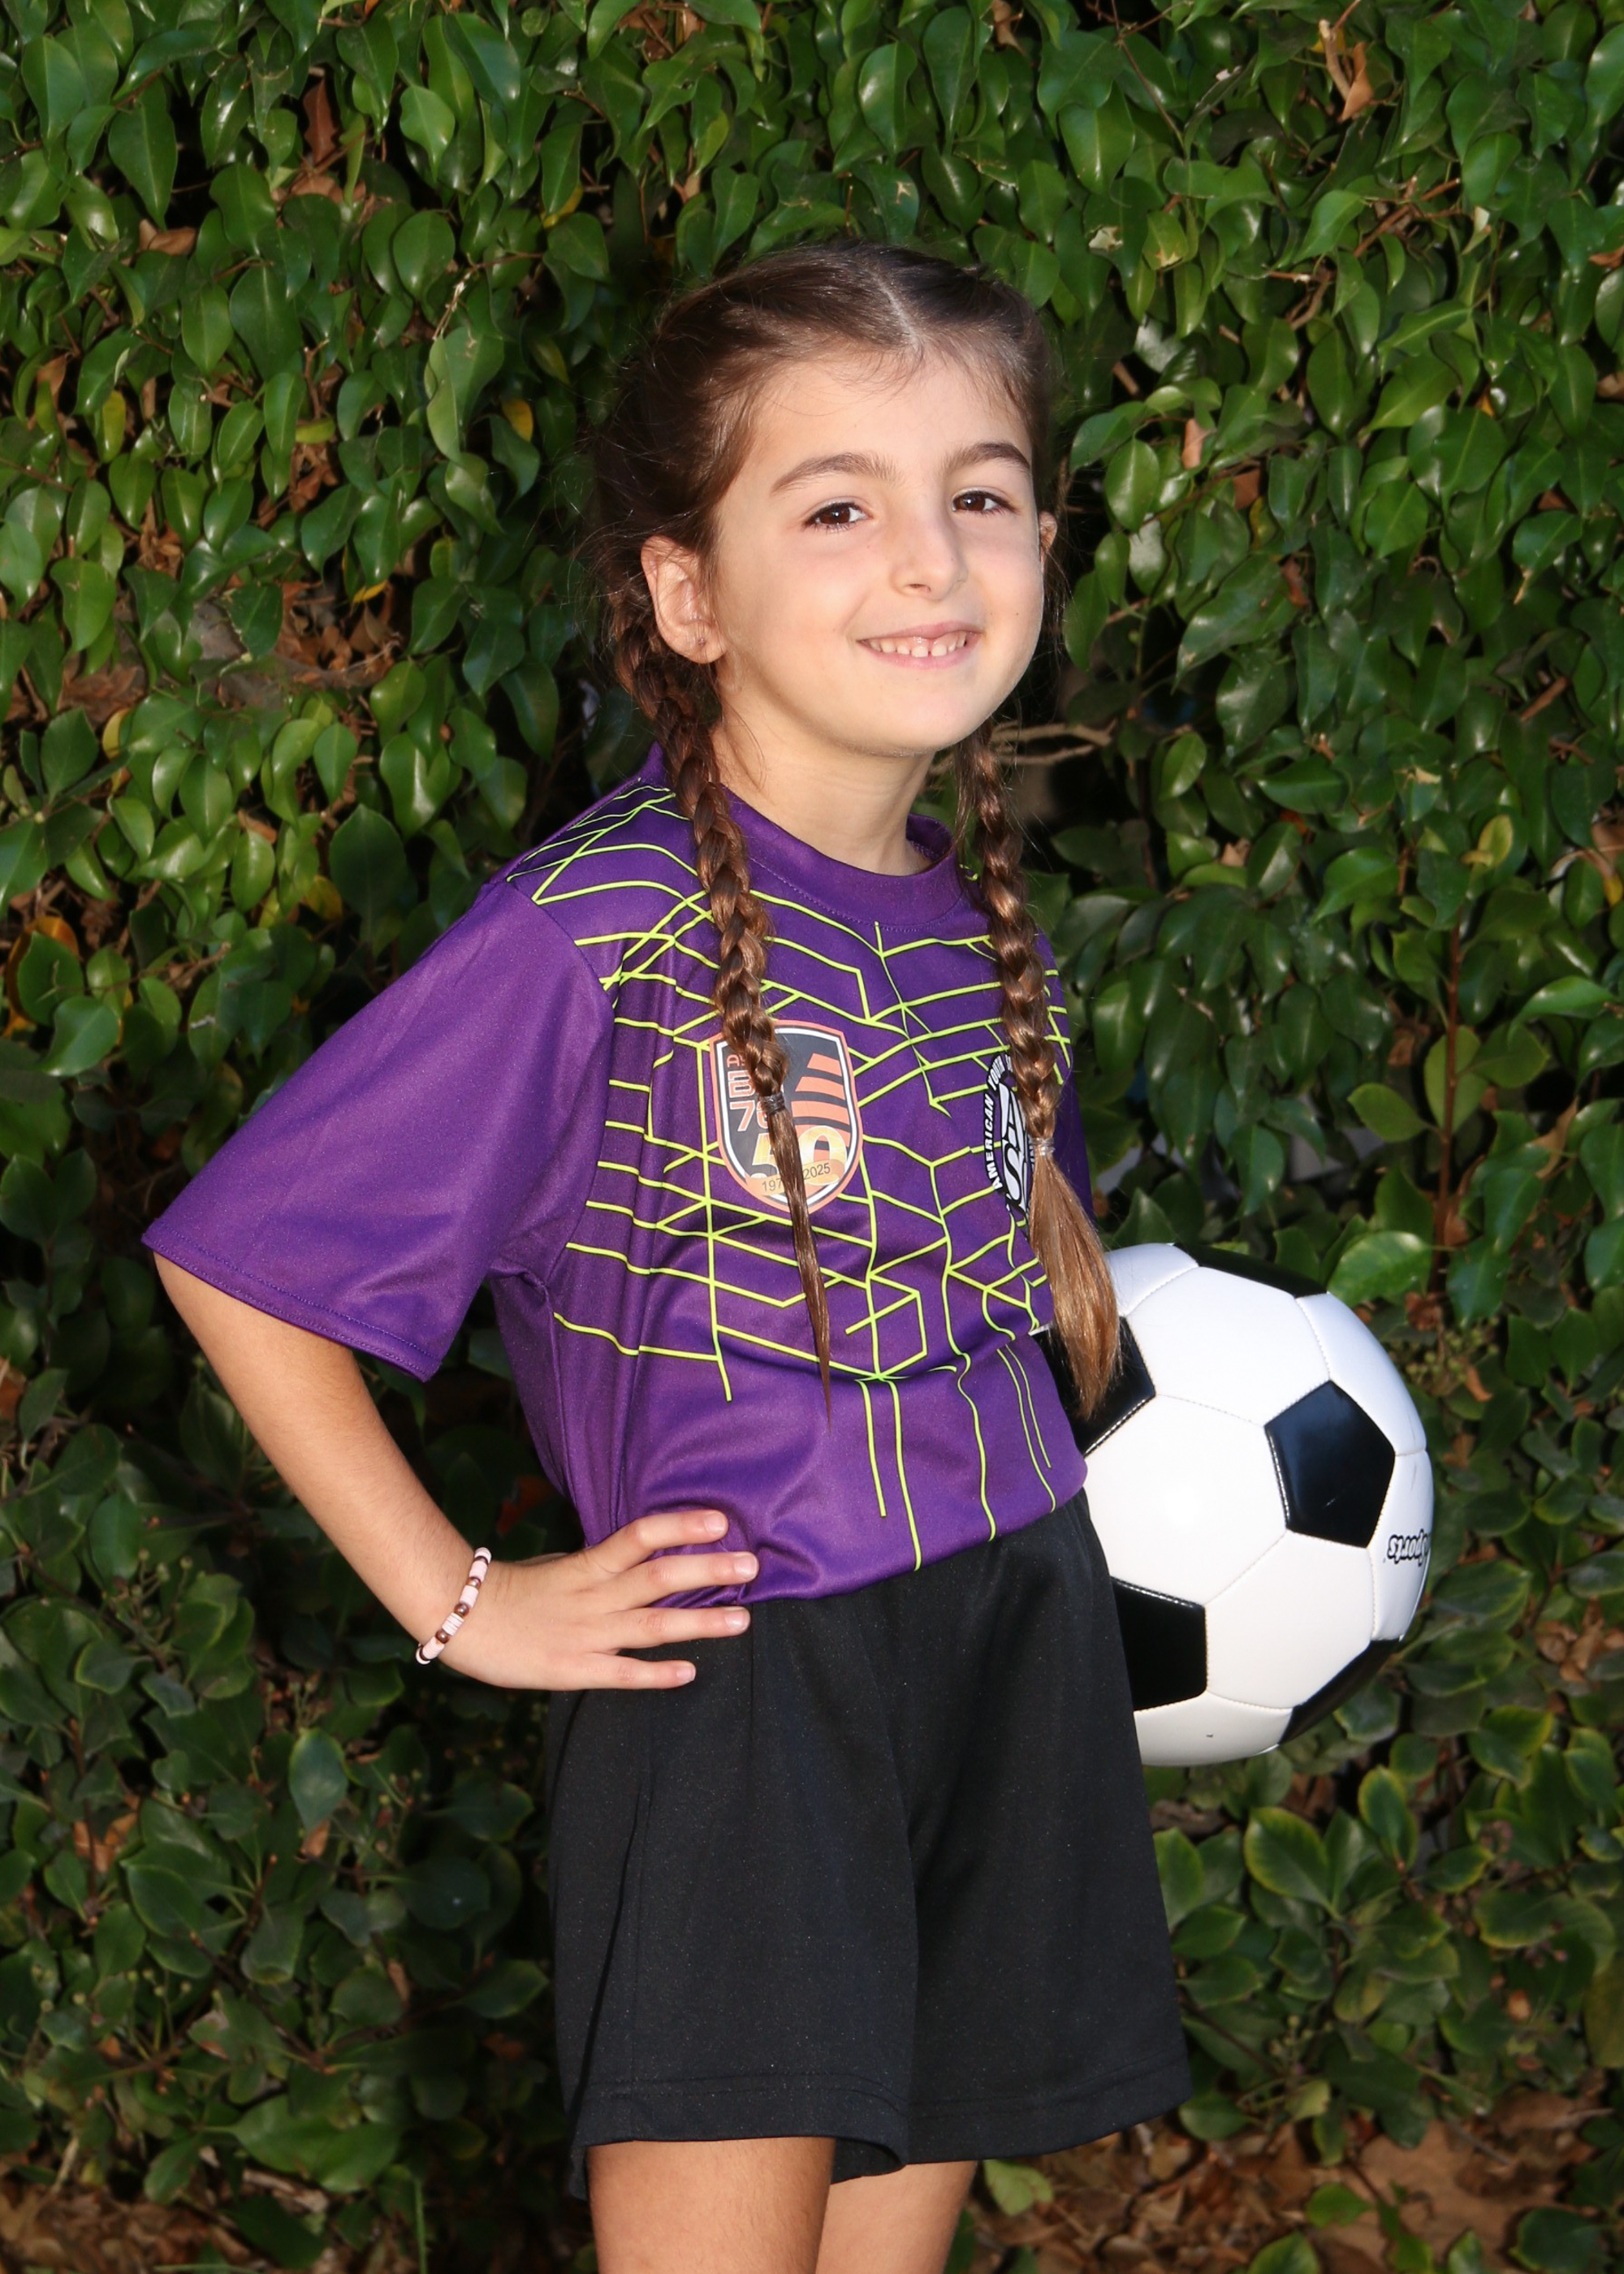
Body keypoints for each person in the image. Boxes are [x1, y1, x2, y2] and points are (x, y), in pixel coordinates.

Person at [143, 240, 1190, 2274]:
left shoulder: (991, 927)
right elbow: (245, 1262)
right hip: (745, 1675)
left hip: (1012, 1629)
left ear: (1045, 543)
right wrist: (460, 1598)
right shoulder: (589, 932)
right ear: (686, 594)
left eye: (979, 492)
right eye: (838, 507)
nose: (931, 557)